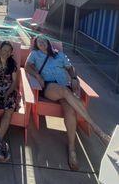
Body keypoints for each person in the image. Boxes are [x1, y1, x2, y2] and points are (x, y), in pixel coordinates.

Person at [25, 35, 110, 171]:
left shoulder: (60, 55)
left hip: (65, 86)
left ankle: (72, 150)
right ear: (36, 45)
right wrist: (37, 75)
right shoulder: (35, 54)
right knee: (65, 92)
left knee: (70, 112)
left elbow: (70, 68)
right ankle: (97, 129)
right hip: (49, 87)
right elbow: (27, 66)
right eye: (38, 42)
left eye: (43, 41)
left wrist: (75, 78)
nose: (41, 43)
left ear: (48, 42)